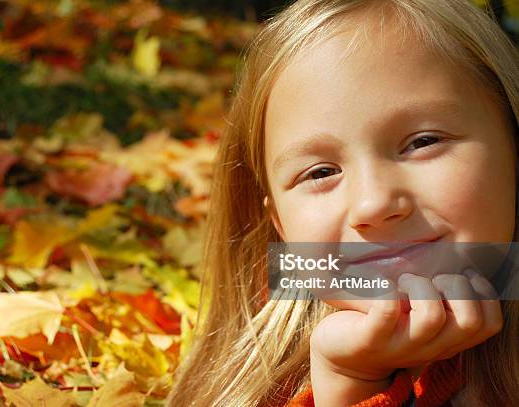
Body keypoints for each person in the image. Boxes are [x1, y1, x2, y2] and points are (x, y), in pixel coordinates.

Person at [166, 0, 519, 406]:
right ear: (281, 227)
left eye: (423, 142)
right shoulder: (267, 378)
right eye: (320, 173)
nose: (372, 204)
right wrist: (350, 383)